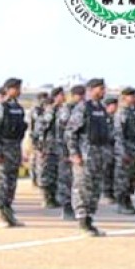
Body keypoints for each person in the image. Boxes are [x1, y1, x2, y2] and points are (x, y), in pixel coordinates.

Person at [65, 78, 114, 237]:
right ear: (91, 89)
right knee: (83, 188)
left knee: (94, 189)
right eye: (100, 88)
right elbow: (71, 132)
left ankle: (90, 219)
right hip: (85, 156)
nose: (103, 91)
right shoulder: (83, 108)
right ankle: (82, 220)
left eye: (103, 88)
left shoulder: (101, 108)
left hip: (99, 156)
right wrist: (74, 154)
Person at [0, 77, 27, 228]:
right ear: (8, 89)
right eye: (16, 88)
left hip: (14, 149)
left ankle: (9, 214)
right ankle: (0, 214)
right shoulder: (0, 108)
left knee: (11, 183)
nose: (19, 91)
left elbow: (21, 132)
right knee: (0, 183)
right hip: (2, 150)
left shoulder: (18, 108)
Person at [55, 85, 85, 220]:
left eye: (83, 94)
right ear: (73, 95)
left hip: (79, 150)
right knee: (66, 179)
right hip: (66, 150)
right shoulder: (67, 110)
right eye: (79, 95)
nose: (81, 97)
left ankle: (76, 206)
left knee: (77, 181)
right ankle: (66, 207)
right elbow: (61, 132)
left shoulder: (84, 109)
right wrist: (66, 152)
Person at [33, 87, 65, 209]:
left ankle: (54, 197)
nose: (64, 97)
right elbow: (40, 129)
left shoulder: (61, 110)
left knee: (57, 173)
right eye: (62, 95)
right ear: (56, 97)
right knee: (46, 172)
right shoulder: (49, 111)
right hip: (47, 147)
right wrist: (39, 147)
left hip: (58, 147)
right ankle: (47, 198)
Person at [113, 88, 135, 215]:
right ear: (124, 98)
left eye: (134, 96)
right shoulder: (122, 113)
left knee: (134, 177)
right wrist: (122, 152)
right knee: (123, 178)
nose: (134, 98)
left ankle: (128, 200)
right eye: (131, 96)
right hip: (125, 151)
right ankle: (121, 202)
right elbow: (118, 134)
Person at [28, 91, 49, 188]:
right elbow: (36, 123)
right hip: (35, 137)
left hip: (38, 137)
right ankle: (35, 179)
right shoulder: (36, 110)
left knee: (37, 159)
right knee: (35, 159)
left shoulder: (41, 110)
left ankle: (37, 179)